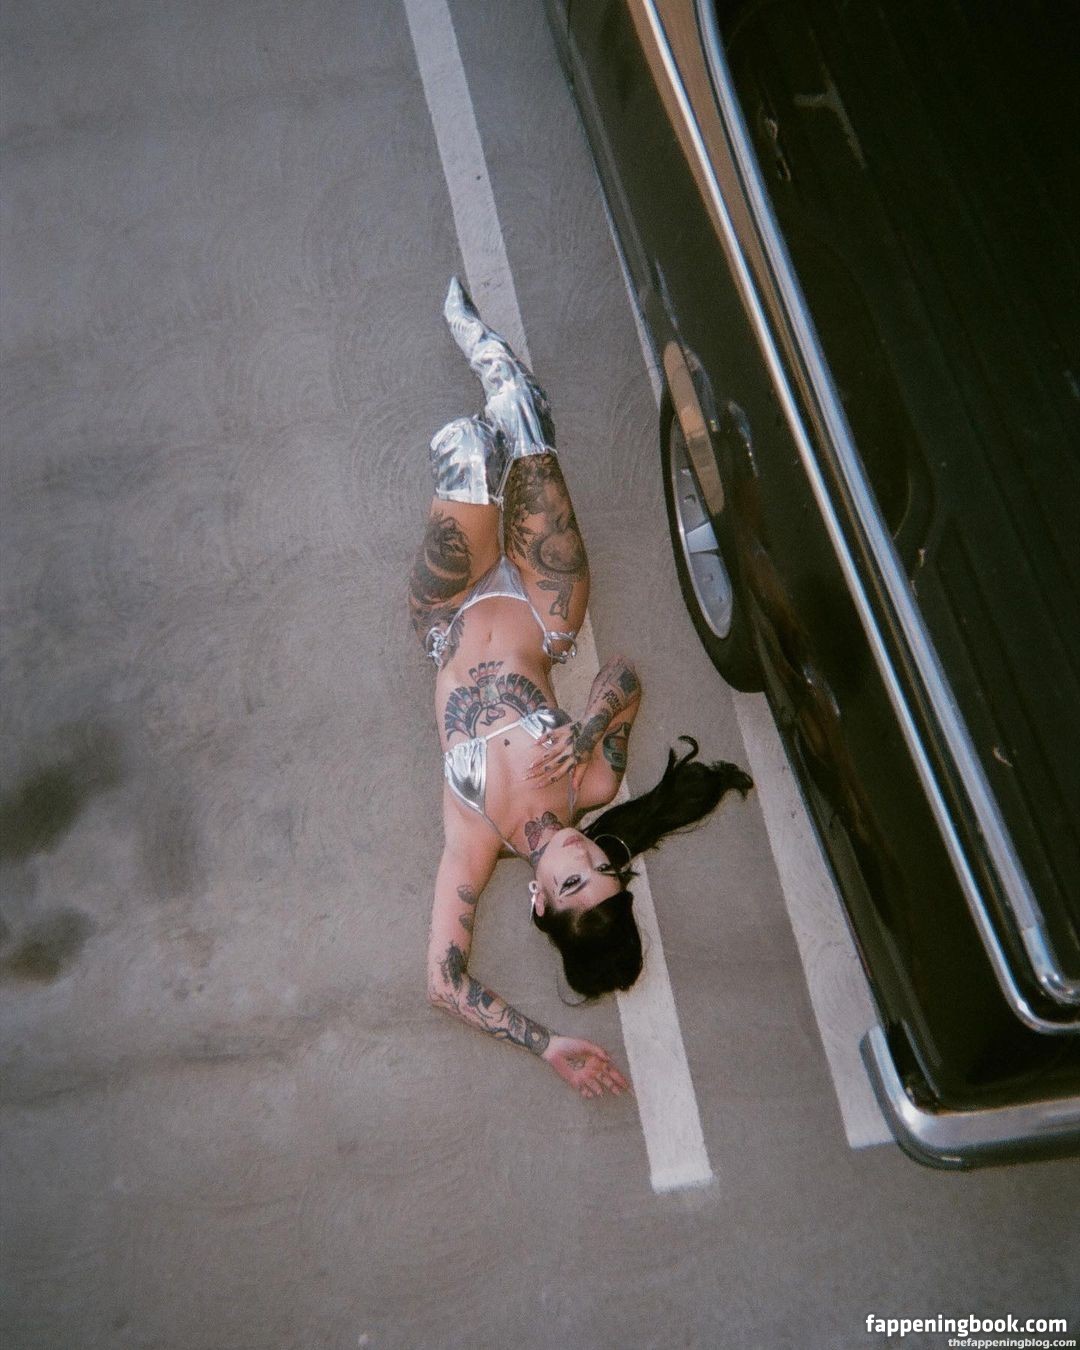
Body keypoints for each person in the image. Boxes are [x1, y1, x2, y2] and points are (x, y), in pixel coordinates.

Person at [409, 279, 753, 1099]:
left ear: (537, 901)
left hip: (450, 613)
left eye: (571, 879)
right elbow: (624, 674)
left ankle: (488, 467)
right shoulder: (592, 783)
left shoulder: (473, 840)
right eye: (602, 864)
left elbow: (444, 982)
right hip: (543, 609)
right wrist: (591, 724)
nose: (580, 852)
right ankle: (496, 369)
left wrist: (546, 1043)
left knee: (467, 446)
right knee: (521, 419)